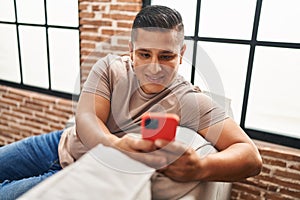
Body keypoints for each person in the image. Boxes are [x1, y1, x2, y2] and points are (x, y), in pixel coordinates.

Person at [0, 5, 262, 200]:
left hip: (78, 173)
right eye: (144, 54)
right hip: (57, 143)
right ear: (131, 50)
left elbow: (251, 156)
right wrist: (116, 144)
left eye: (167, 56)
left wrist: (201, 167)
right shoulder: (110, 68)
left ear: (181, 54)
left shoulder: (190, 100)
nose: (154, 68)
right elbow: (87, 120)